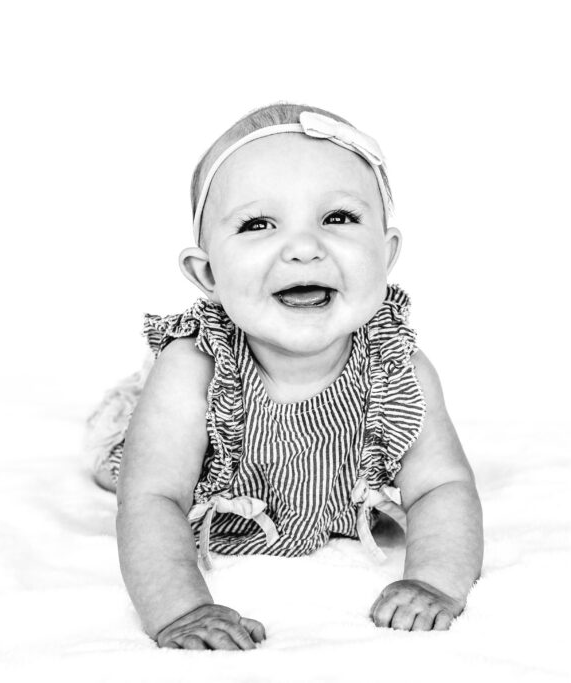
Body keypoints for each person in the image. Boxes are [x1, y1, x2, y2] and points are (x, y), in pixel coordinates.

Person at [84, 103, 483, 650]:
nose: (302, 248)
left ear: (386, 254)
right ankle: (128, 404)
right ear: (208, 274)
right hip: (197, 465)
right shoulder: (194, 370)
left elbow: (443, 485)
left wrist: (433, 581)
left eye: (337, 218)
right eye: (257, 224)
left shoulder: (398, 370)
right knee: (126, 459)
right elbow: (153, 499)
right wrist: (182, 609)